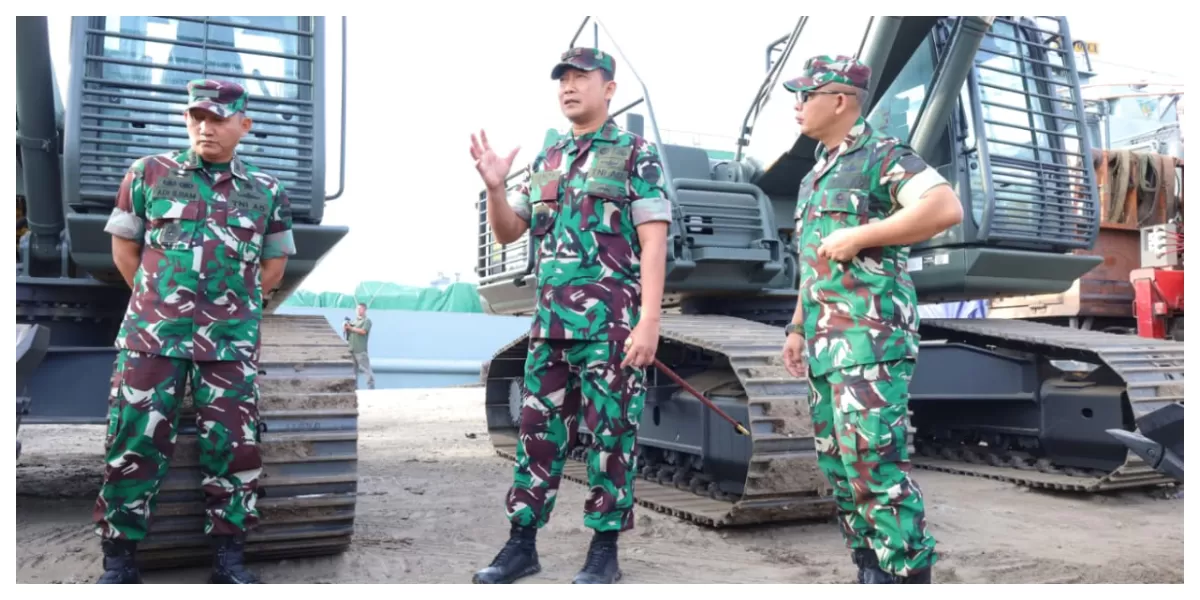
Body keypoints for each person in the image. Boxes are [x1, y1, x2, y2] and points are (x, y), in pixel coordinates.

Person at [467, 47, 671, 585]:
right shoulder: (550, 157)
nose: (569, 87)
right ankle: (521, 545)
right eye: (563, 79)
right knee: (536, 435)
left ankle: (604, 551)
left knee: (610, 438)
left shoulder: (634, 153)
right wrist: (494, 187)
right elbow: (513, 231)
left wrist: (650, 319)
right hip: (551, 326)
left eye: (582, 78)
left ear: (609, 88)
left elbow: (653, 243)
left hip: (612, 325)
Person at [93, 79, 296, 584]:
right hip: (152, 337)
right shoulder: (148, 174)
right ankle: (119, 561)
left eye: (218, 118)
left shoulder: (267, 191)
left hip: (228, 343)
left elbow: (273, 267)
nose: (205, 127)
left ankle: (229, 559)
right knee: (133, 441)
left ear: (243, 125)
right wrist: (160, 302)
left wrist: (232, 310)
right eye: (196, 117)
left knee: (234, 448)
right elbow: (126, 253)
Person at [778, 55, 963, 584]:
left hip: (870, 337)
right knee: (840, 469)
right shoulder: (816, 174)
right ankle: (870, 569)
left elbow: (943, 207)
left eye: (806, 95)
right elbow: (812, 262)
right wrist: (796, 326)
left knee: (874, 467)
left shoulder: (883, 156)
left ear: (840, 100)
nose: (798, 105)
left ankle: (906, 576)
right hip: (823, 339)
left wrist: (861, 235)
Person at [344, 302, 375, 389]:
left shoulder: (367, 321)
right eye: (357, 309)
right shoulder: (353, 321)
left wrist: (351, 328)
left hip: (361, 350)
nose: (358, 311)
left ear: (364, 310)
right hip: (351, 350)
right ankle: (355, 389)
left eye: (360, 309)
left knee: (367, 370)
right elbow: (349, 334)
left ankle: (371, 388)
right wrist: (346, 328)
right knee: (353, 372)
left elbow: (363, 331)